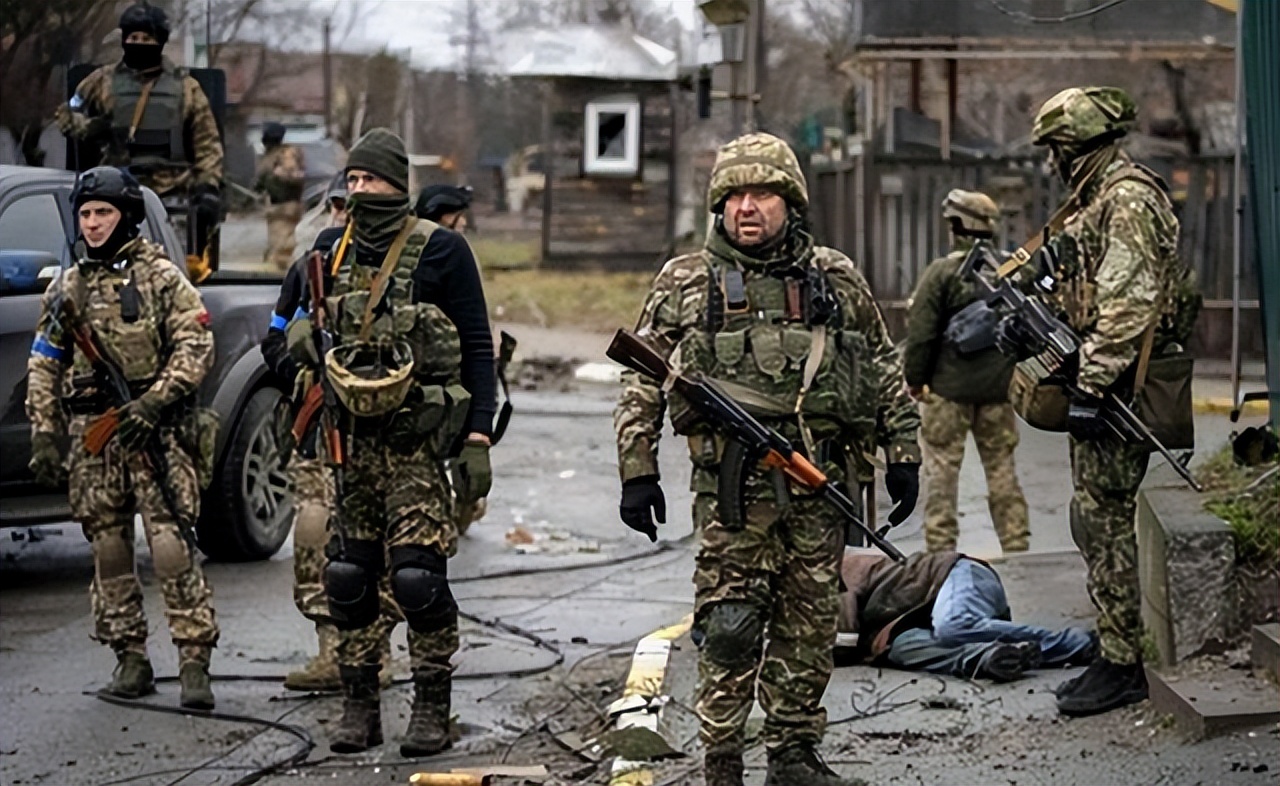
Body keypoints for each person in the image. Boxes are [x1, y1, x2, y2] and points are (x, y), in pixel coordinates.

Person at [613, 132, 921, 786]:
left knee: (810, 627)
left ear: (791, 204)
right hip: (732, 494)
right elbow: (642, 377)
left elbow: (880, 361)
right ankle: (721, 760)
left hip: (819, 484)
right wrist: (636, 469)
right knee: (728, 625)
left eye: (762, 195)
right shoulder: (687, 280)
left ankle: (794, 754)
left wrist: (904, 452)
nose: (746, 208)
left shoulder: (833, 277)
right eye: (734, 196)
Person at [287, 128, 496, 756]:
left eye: (370, 181)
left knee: (417, 579)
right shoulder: (327, 251)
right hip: (349, 449)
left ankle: (432, 707)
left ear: (396, 185)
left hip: (416, 447)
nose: (358, 191)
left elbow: (477, 346)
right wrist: (298, 350)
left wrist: (478, 433)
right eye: (350, 181)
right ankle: (360, 707)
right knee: (349, 578)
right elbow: (290, 327)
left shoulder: (443, 252)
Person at [1000, 86, 1200, 717]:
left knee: (1104, 520)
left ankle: (1122, 665)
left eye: (1054, 150)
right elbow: (1078, 281)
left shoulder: (1128, 201)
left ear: (1072, 148)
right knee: (1093, 518)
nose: (1051, 164)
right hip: (1111, 378)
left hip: (1123, 389)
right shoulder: (1100, 201)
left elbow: (1127, 306)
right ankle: (1113, 647)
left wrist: (1091, 388)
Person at [25, 166, 220, 709]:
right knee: (108, 549)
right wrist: (43, 429)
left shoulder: (160, 279)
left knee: (170, 549)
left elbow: (195, 346)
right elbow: (44, 361)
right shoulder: (68, 287)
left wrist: (154, 401)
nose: (92, 223)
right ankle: (129, 656)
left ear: (124, 215)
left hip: (154, 432)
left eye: (103, 213)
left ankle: (193, 659)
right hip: (94, 438)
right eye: (85, 214)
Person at [903, 189, 1030, 554]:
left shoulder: (943, 273)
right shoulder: (1010, 271)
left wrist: (916, 380)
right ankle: (1017, 543)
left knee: (941, 472)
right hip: (998, 391)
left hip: (948, 392)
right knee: (1002, 469)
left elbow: (922, 335)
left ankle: (941, 550)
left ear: (956, 225)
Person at [54, 2, 223, 258]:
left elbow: (207, 144)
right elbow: (68, 113)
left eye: (147, 38)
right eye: (133, 37)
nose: (139, 43)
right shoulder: (101, 81)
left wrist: (207, 189)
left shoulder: (186, 88)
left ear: (160, 41)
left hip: (170, 196)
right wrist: (90, 128)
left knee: (169, 267)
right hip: (114, 193)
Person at [838, 549, 1095, 681]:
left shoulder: (836, 567)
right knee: (902, 649)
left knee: (952, 625)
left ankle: (1076, 643)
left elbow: (845, 638)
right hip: (915, 622)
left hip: (957, 575)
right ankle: (990, 657)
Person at [254, 122, 306, 270]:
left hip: (285, 206)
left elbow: (292, 177)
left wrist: (279, 175)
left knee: (284, 248)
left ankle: (285, 276)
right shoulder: (271, 155)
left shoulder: (285, 154)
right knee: (278, 245)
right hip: (278, 207)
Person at [295, 172, 349, 253]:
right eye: (339, 206)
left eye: (352, 208)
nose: (344, 216)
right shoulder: (312, 234)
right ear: (329, 207)